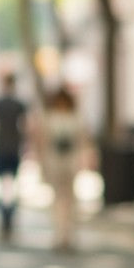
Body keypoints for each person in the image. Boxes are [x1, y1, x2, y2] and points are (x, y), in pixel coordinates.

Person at [39, 85, 85, 253]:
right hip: (55, 161)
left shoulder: (75, 118)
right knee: (57, 200)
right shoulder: (50, 118)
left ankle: (69, 234)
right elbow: (43, 140)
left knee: (70, 200)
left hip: (70, 162)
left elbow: (82, 140)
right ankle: (59, 234)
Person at [0, 72, 28, 242]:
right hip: (14, 149)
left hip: (1, 149)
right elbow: (26, 126)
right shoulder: (19, 105)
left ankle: (5, 222)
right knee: (11, 188)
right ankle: (9, 221)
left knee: (2, 188)